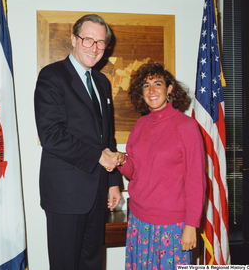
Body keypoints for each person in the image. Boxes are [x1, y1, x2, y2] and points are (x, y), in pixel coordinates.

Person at [34, 14, 122, 270]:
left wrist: (114, 182)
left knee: (93, 264)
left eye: (100, 42)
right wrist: (98, 155)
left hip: (97, 193)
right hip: (65, 194)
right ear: (73, 39)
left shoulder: (102, 82)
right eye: (88, 39)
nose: (94, 48)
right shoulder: (52, 76)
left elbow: (108, 136)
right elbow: (51, 135)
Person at [117, 63, 206, 269]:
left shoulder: (186, 126)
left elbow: (195, 180)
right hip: (139, 221)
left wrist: (191, 225)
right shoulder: (140, 125)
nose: (152, 90)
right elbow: (134, 172)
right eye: (146, 85)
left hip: (172, 225)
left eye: (158, 84)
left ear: (169, 89)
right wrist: (122, 160)